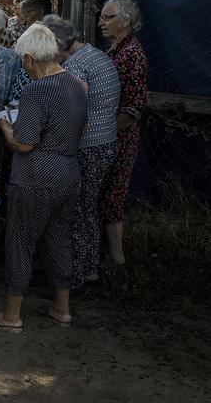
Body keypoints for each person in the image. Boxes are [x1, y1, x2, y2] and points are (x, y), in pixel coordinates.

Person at [0, 24, 87, 333]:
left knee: (20, 243)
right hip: (67, 175)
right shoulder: (77, 85)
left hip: (34, 178)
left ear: (28, 59)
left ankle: (11, 315)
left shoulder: (36, 89)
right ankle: (62, 308)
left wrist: (4, 126)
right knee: (59, 240)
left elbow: (24, 143)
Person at [42, 15, 121, 292]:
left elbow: (72, 113)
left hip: (87, 146)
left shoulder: (75, 66)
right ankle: (89, 270)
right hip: (106, 142)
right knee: (88, 208)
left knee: (75, 211)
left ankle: (72, 277)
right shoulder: (96, 55)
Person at [99, 0, 147, 272]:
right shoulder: (116, 49)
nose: (101, 22)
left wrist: (106, 133)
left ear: (125, 21)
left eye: (108, 17)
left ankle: (118, 260)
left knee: (113, 194)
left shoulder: (132, 54)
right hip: (108, 135)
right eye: (102, 17)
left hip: (119, 136)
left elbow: (133, 107)